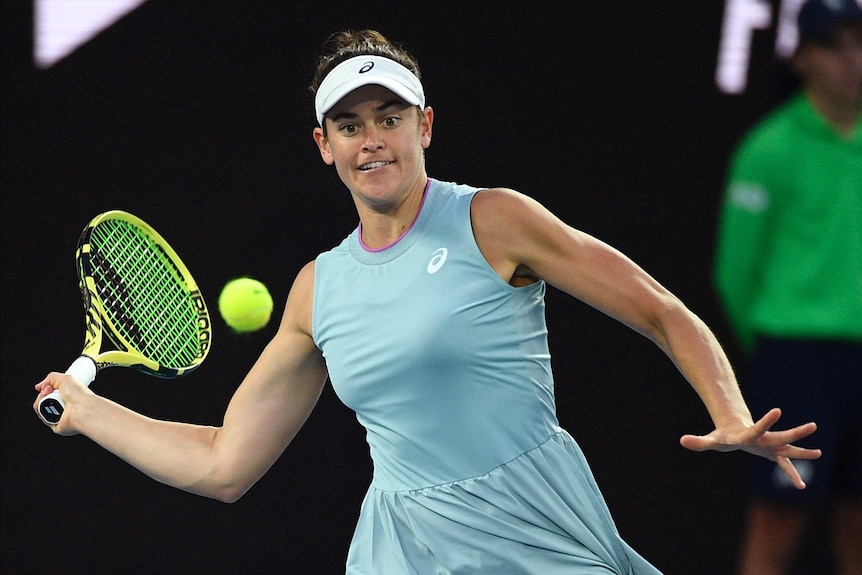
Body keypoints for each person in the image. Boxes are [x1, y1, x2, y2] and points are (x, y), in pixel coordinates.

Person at [35, 29, 822, 575]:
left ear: (426, 126)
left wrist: (728, 410)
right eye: (349, 124)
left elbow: (658, 307)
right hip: (403, 550)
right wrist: (91, 411)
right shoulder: (318, 289)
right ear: (324, 144)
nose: (371, 139)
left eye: (389, 118)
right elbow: (224, 462)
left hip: (538, 531)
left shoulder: (495, 219)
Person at [713, 0, 862, 573]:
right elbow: (734, 274)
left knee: (858, 519)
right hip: (797, 357)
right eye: (835, 46)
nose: (853, 60)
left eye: (859, 43)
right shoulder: (769, 149)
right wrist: (778, 352)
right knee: (780, 515)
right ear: (801, 58)